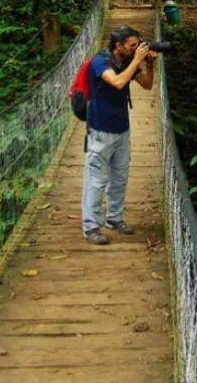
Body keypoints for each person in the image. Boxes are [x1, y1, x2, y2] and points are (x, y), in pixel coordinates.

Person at [81, 25, 158, 245]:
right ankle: (91, 227)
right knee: (96, 180)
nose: (136, 49)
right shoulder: (100, 62)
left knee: (120, 177)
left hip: (122, 130)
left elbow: (147, 84)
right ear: (118, 46)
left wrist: (149, 64)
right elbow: (117, 82)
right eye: (132, 45)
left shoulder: (127, 62)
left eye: (138, 45)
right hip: (100, 131)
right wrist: (136, 61)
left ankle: (114, 218)